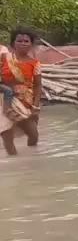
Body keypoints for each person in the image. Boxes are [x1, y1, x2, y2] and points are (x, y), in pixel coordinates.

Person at [0, 28, 42, 156]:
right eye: (19, 41)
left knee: (33, 135)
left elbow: (38, 86)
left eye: (26, 41)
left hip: (25, 102)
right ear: (13, 43)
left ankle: (32, 159)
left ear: (31, 44)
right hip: (3, 101)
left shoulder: (35, 63)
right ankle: (14, 163)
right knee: (7, 135)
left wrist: (35, 106)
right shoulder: (4, 58)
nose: (23, 43)